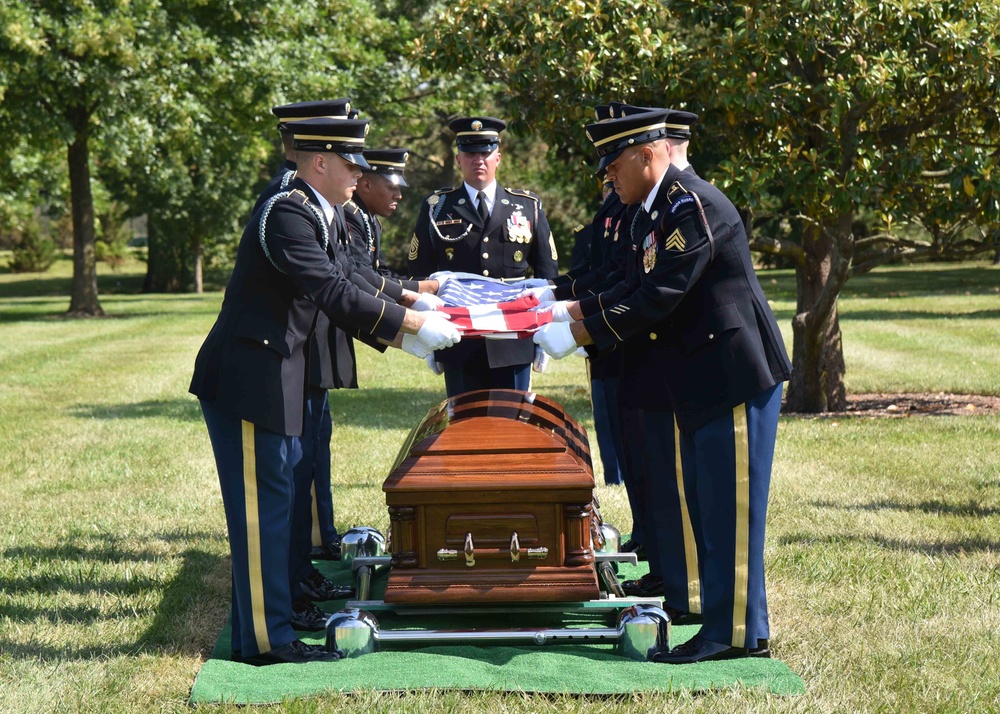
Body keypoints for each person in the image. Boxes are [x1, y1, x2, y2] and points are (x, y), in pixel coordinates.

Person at [190, 116, 460, 666]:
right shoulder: (288, 211)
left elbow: (355, 279)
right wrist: (411, 327)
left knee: (280, 502)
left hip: (279, 374)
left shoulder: (320, 211)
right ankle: (268, 644)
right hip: (249, 380)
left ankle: (265, 631)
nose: (359, 174)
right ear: (319, 163)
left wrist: (411, 312)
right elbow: (330, 288)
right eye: (351, 164)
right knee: (264, 516)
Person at [533, 106, 792, 663]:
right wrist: (567, 310)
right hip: (699, 377)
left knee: (730, 511)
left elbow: (659, 295)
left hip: (731, 375)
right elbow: (630, 282)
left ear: (647, 155)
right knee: (705, 505)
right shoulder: (652, 212)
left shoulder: (688, 205)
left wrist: (579, 331)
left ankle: (739, 635)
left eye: (614, 167)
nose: (609, 179)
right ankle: (715, 621)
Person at [408, 116, 559, 396]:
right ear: (458, 159)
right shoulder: (437, 207)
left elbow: (546, 276)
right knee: (463, 427)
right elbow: (419, 274)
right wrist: (424, 326)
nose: (478, 159)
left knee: (512, 424)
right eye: (470, 152)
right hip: (458, 339)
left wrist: (543, 331)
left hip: (514, 338)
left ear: (498, 158)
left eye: (485, 152)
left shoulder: (527, 206)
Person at [343, 147, 411, 277]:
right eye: (392, 188)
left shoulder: (371, 220)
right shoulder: (350, 215)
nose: (399, 196)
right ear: (366, 185)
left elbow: (381, 273)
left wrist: (425, 284)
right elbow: (365, 276)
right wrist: (424, 287)